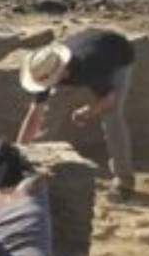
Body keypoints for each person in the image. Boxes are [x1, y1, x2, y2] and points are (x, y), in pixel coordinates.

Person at [17, 28, 136, 198]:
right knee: (50, 111)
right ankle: (32, 165)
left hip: (118, 55)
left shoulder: (90, 68)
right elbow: (34, 115)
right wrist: (19, 154)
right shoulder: (47, 67)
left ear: (62, 73)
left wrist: (88, 111)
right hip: (84, 47)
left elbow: (109, 99)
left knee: (112, 116)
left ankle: (124, 179)